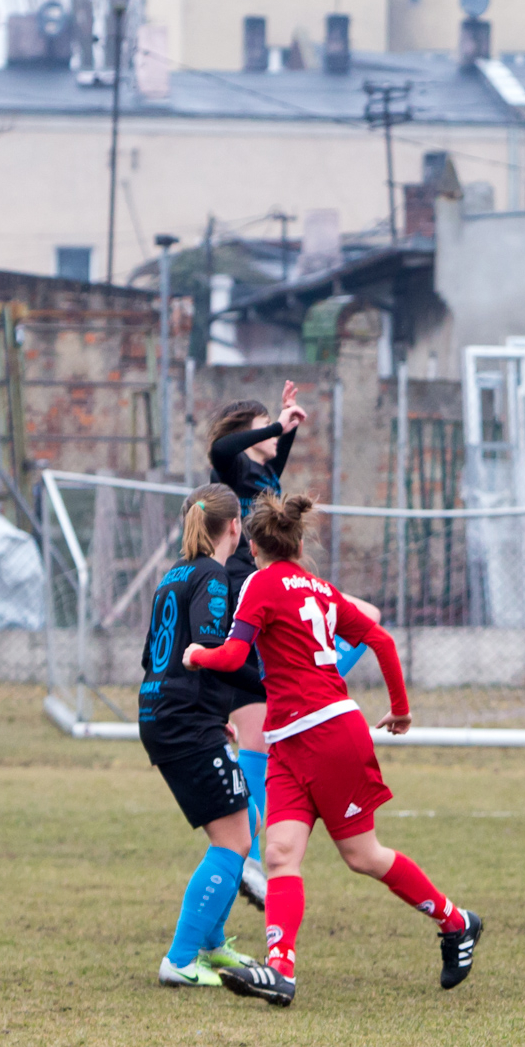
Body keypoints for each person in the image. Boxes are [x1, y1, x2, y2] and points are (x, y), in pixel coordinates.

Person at [184, 494, 482, 1006]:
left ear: (254, 546)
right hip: (287, 743)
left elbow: (233, 656)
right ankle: (281, 971)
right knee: (279, 854)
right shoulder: (320, 588)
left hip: (325, 733)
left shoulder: (259, 583)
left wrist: (196, 655)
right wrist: (401, 708)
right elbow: (382, 641)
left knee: (362, 855)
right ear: (299, 545)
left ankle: (457, 922)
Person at [139, 484, 267, 988]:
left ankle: (212, 947)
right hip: (183, 719)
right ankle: (181, 957)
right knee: (235, 837)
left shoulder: (173, 575)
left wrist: (212, 711)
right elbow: (213, 648)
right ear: (234, 527)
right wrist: (268, 682)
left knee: (245, 821)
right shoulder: (214, 576)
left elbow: (156, 658)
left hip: (170, 713)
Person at [206, 387, 307, 908]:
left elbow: (272, 463)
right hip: (246, 605)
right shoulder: (234, 471)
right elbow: (224, 450)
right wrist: (271, 428)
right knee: (261, 734)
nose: (271, 430)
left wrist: (285, 428)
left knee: (262, 734)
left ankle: (242, 853)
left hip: (263, 601)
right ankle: (242, 853)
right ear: (248, 433)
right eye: (261, 425)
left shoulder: (265, 476)